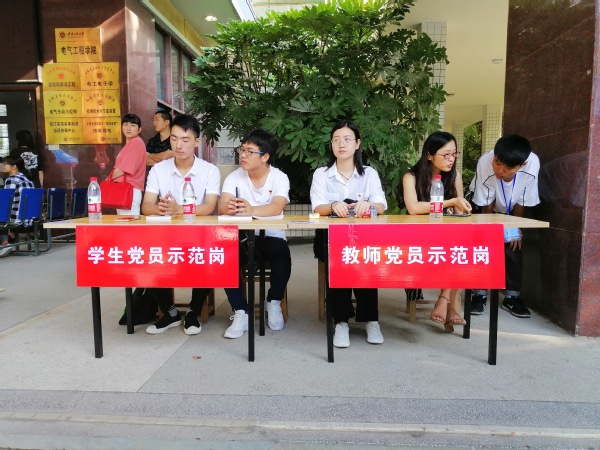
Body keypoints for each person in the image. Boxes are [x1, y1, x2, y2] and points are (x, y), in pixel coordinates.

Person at [141, 114, 221, 335]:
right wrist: (161, 209)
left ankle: (194, 311)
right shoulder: (158, 169)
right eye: (174, 139)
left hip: (198, 236)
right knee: (145, 258)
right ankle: (170, 313)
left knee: (209, 256)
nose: (178, 145)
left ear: (196, 142)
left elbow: (209, 207)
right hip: (165, 236)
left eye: (185, 140)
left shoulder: (209, 170)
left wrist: (180, 209)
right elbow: (146, 206)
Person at [310, 119, 387, 348]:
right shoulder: (322, 174)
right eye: (336, 140)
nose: (341, 144)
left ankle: (371, 320)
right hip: (330, 238)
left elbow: (381, 206)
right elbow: (317, 207)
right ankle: (341, 322)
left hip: (363, 239)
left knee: (366, 260)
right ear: (331, 145)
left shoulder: (369, 174)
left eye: (347, 139)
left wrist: (369, 206)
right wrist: (333, 205)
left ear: (357, 144)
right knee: (338, 260)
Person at [218, 128, 291, 339]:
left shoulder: (279, 177)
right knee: (225, 257)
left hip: (271, 235)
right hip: (242, 235)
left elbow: (277, 206)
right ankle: (240, 310)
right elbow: (222, 206)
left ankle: (273, 301)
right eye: (242, 150)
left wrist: (251, 210)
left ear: (265, 157)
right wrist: (230, 207)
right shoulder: (234, 177)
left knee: (281, 255)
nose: (243, 155)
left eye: (249, 152)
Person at [401, 131, 471, 330]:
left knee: (460, 246)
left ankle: (445, 299)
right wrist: (450, 201)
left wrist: (459, 208)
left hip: (446, 236)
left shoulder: (454, 176)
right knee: (455, 248)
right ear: (430, 155)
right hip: (418, 238)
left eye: (454, 154)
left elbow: (459, 212)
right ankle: (450, 306)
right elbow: (414, 208)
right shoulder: (411, 176)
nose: (451, 159)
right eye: (445, 154)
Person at [469, 135, 540, 317]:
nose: (500, 171)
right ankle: (479, 294)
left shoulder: (532, 163)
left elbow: (523, 200)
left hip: (512, 209)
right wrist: (490, 232)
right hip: (485, 208)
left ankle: (511, 297)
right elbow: (486, 203)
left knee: (514, 244)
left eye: (508, 168)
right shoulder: (485, 162)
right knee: (484, 246)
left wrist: (515, 226)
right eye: (498, 163)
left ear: (522, 165)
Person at [111, 114, 146, 215]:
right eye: (126, 124)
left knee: (128, 223)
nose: (128, 128)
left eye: (133, 125)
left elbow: (123, 169)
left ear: (139, 130)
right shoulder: (130, 144)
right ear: (121, 127)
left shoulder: (136, 143)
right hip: (124, 190)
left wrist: (108, 179)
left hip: (129, 191)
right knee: (124, 222)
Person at [0, 156, 35, 257]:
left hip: (17, 216)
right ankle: (5, 242)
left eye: (5, 164)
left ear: (14, 166)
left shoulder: (11, 179)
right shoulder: (27, 179)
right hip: (28, 215)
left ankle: (4, 243)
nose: (3, 165)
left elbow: (6, 201)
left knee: (2, 214)